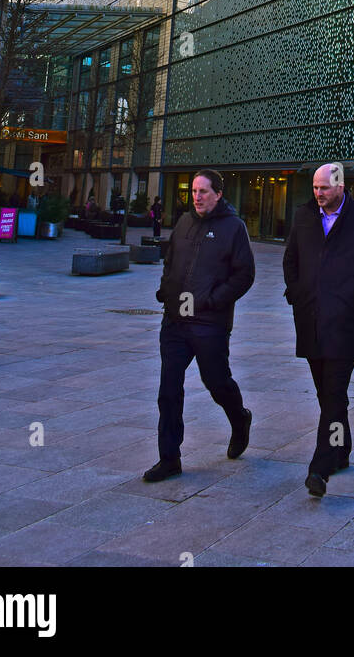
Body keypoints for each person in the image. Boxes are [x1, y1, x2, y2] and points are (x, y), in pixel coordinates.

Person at [283, 162, 354, 497]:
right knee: (328, 395)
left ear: (340, 186)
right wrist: (297, 293)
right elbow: (291, 260)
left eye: (324, 188)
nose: (318, 193)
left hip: (343, 322)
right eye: (315, 187)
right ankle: (341, 449)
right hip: (310, 320)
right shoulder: (303, 216)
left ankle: (320, 466)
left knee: (331, 394)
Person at [143, 168, 255, 482]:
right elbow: (170, 260)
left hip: (209, 323)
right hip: (175, 321)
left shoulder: (234, 228)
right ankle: (169, 459)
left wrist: (213, 300)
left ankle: (239, 418)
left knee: (216, 382)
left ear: (219, 194)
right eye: (193, 191)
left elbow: (244, 275)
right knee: (168, 390)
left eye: (203, 191)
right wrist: (166, 290)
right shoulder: (184, 222)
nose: (197, 197)